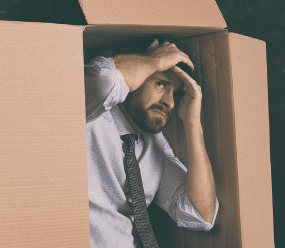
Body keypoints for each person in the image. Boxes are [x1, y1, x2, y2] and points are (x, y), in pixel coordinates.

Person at [85, 39, 218, 247]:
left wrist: (193, 125)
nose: (170, 102)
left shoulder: (154, 144)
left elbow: (200, 216)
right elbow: (102, 81)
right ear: (139, 74)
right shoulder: (90, 115)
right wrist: (154, 60)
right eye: (161, 84)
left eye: (176, 93)